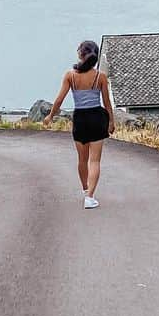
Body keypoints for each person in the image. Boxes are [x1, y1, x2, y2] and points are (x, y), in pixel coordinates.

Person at [42, 39, 115, 209]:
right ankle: (90, 197)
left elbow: (60, 99)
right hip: (97, 117)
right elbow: (106, 102)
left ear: (80, 54)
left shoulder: (70, 76)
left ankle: (85, 190)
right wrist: (111, 121)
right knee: (95, 161)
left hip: (80, 118)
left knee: (83, 160)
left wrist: (50, 116)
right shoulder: (100, 76)